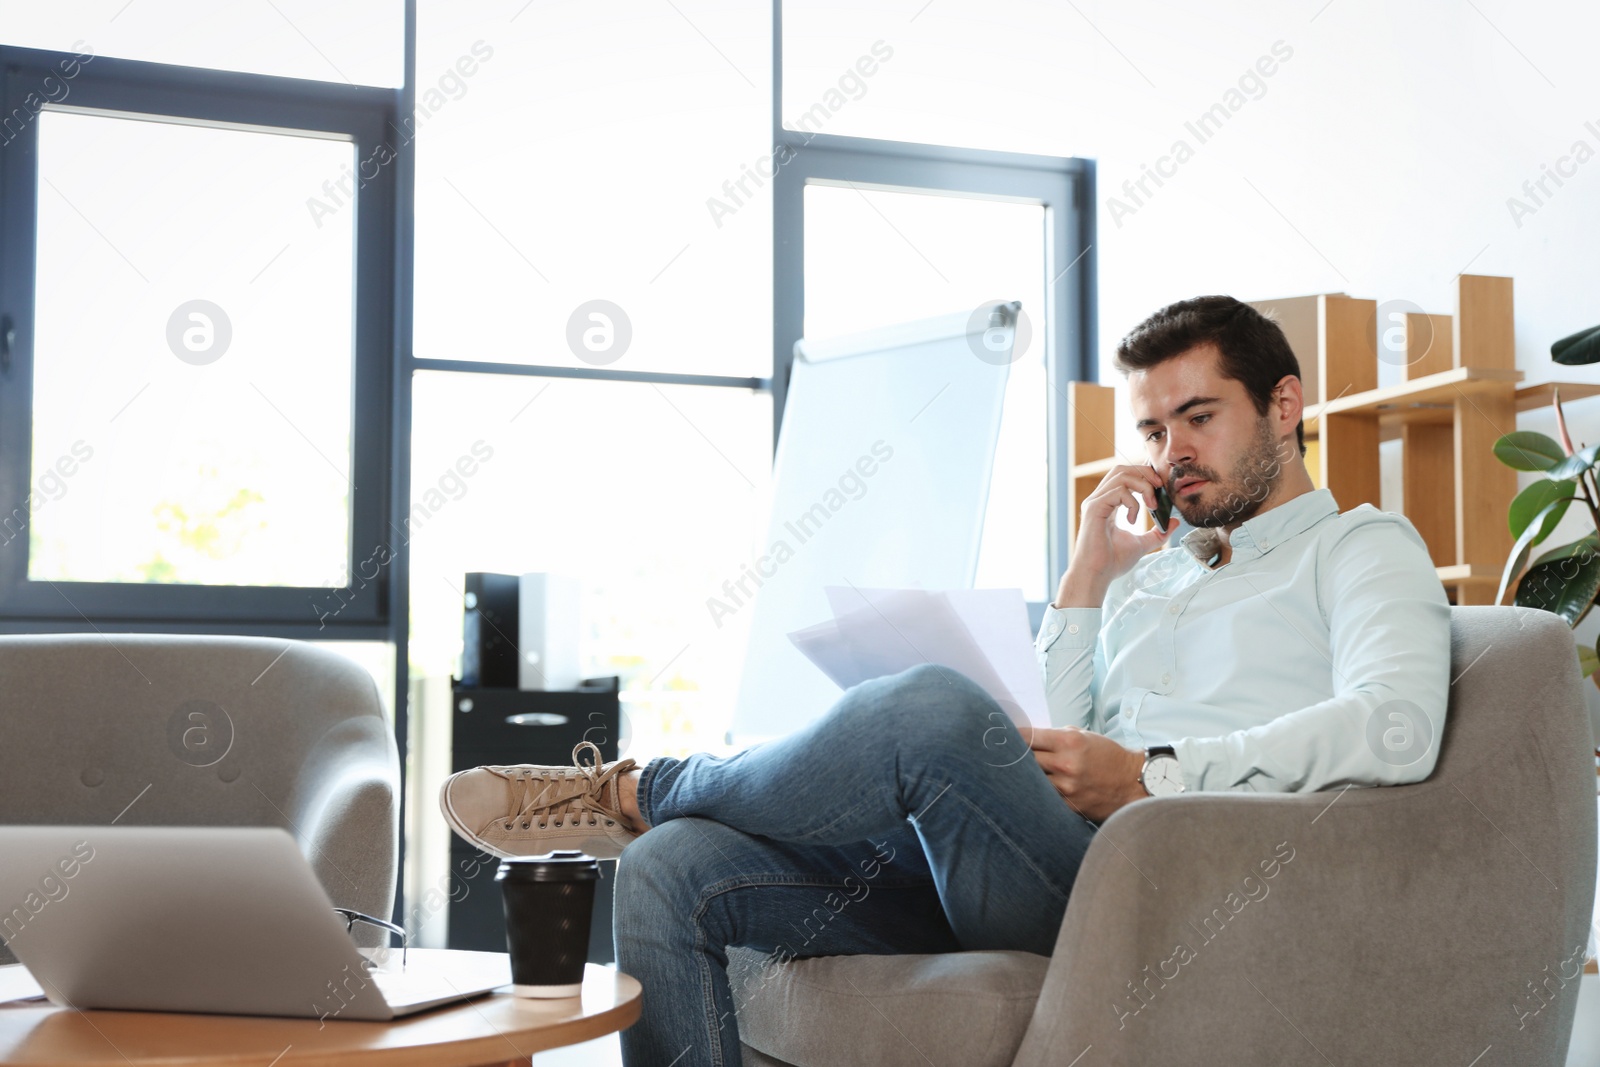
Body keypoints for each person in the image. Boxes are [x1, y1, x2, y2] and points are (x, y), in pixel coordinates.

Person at [439, 295, 1452, 1067]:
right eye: (1151, 431)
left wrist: (1153, 773)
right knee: (675, 866)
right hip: (1034, 859)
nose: (1172, 453)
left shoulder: (1360, 548)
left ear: (1284, 406)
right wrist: (1089, 573)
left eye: (1198, 417)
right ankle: (654, 808)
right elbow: (1054, 734)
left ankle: (634, 785)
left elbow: (1392, 723)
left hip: (1158, 887)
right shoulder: (1153, 575)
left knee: (928, 704)